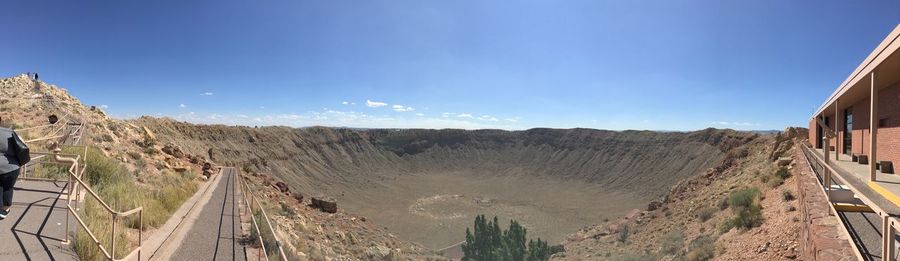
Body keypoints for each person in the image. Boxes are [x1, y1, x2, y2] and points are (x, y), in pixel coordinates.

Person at [0, 116, 30, 219]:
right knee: (7, 188)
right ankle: (5, 210)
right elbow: (22, 147)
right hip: (11, 167)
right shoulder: (10, 132)